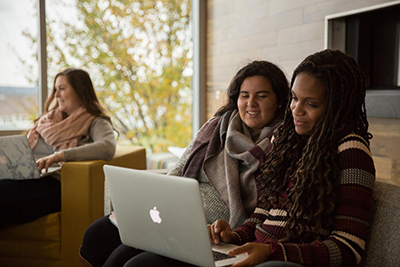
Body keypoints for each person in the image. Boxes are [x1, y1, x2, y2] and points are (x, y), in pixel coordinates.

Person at [79, 60, 290, 267]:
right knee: (97, 234)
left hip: (213, 232)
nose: (251, 103)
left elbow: (267, 208)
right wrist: (155, 210)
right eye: (245, 96)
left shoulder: (284, 144)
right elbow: (178, 173)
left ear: (279, 100)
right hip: (175, 217)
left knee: (126, 258)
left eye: (261, 96)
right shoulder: (217, 127)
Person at [204, 49, 376, 267]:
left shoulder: (352, 151)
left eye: (311, 104)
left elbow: (348, 248)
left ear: (337, 106)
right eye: (294, 98)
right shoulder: (289, 143)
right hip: (265, 258)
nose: (296, 110)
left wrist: (274, 252)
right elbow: (263, 215)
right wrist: (233, 237)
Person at [0, 68, 117, 227]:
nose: (56, 95)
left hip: (54, 185)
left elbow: (107, 147)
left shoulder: (95, 121)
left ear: (81, 89)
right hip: (24, 177)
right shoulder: (48, 120)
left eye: (62, 89)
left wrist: (61, 155)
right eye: (55, 89)